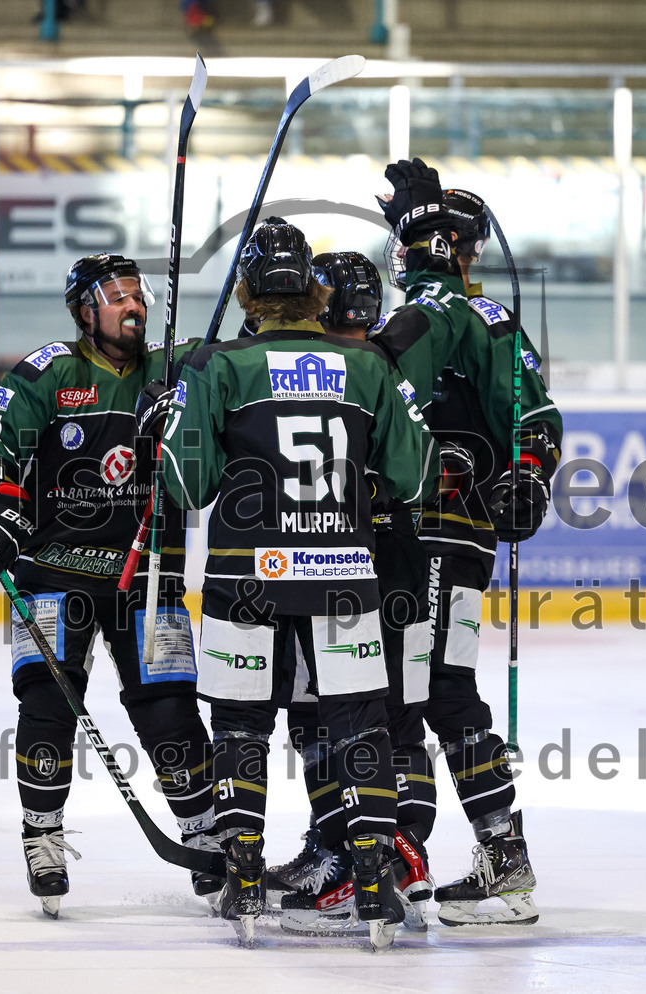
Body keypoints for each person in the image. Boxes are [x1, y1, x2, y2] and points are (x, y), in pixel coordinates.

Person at [158, 219, 440, 949]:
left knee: (243, 727)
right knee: (357, 728)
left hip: (244, 579)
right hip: (344, 576)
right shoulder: (370, 368)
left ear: (249, 293)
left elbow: (186, 485)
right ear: (316, 293)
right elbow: (415, 476)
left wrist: (174, 424)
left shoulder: (217, 366)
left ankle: (244, 877)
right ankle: (374, 880)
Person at [0, 253, 219, 918]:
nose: (132, 306)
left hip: (149, 575)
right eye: (116, 297)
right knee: (46, 707)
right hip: (52, 570)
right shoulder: (51, 371)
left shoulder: (176, 369)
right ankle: (42, 834)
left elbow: (247, 355)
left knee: (170, 714)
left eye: (137, 295)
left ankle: (204, 833)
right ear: (85, 312)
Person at [368, 158, 563, 927]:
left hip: (447, 528)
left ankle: (501, 857)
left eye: (415, 241)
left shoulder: (469, 316)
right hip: (399, 533)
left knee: (438, 688)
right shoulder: (431, 312)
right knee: (395, 692)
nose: (405, 255)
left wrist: (528, 474)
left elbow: (535, 418)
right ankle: (397, 851)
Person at [265, 251, 438, 936]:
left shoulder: (349, 375)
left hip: (353, 567)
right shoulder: (381, 369)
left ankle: (350, 856)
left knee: (327, 714)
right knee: (397, 720)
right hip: (404, 563)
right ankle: (399, 858)